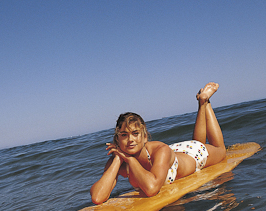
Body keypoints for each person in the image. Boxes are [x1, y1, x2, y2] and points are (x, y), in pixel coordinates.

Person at [90, 82, 227, 204]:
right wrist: (118, 159)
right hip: (175, 152)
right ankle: (201, 104)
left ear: (144, 138)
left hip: (194, 154)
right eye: (124, 135)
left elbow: (151, 189)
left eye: (135, 133)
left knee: (219, 150)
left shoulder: (160, 150)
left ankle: (205, 101)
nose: (130, 139)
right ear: (117, 139)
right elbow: (97, 197)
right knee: (196, 141)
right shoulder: (118, 161)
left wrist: (130, 160)